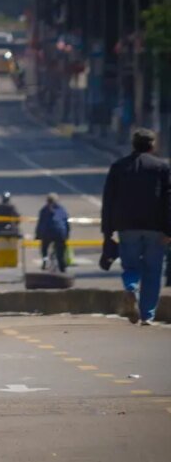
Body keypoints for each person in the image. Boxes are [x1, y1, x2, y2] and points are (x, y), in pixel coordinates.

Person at [101, 128, 171, 325]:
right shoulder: (161, 168)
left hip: (127, 227)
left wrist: (108, 232)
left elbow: (109, 201)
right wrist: (169, 230)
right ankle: (147, 314)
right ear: (152, 145)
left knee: (131, 265)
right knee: (153, 271)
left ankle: (131, 287)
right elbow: (168, 200)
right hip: (155, 228)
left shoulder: (118, 167)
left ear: (133, 145)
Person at [35, 193, 70, 272]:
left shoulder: (44, 210)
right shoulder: (62, 209)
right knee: (60, 252)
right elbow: (66, 224)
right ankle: (62, 267)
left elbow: (40, 224)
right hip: (60, 233)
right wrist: (66, 235)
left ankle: (45, 259)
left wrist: (37, 235)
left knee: (44, 247)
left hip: (47, 233)